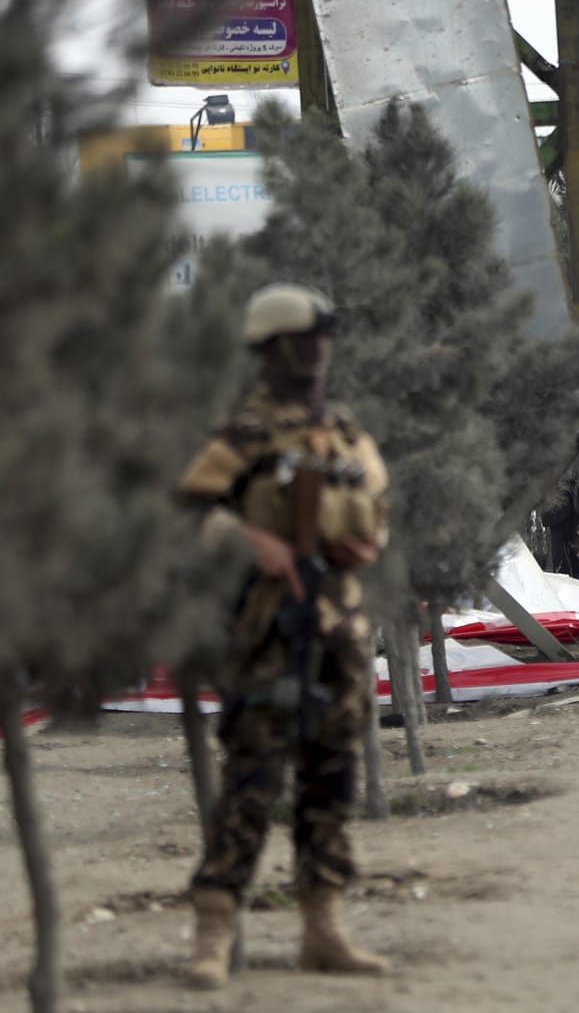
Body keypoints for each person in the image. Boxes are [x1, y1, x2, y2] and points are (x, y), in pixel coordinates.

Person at [175, 284, 391, 989]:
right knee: (251, 781)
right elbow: (190, 510)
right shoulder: (247, 433)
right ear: (275, 349)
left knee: (332, 778)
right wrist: (250, 542)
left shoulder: (345, 428)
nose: (321, 350)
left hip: (339, 626)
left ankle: (322, 928)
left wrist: (368, 540)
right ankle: (214, 928)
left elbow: (373, 505)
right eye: (307, 338)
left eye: (324, 337)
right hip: (269, 625)